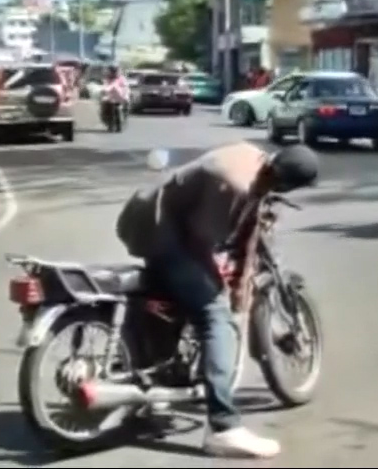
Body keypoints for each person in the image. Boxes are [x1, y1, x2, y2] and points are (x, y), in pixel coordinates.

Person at [115, 141, 318, 459]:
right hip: (157, 231)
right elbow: (200, 240)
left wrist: (235, 280)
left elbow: (238, 231)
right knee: (215, 315)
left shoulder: (253, 160)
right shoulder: (235, 184)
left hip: (157, 218)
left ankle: (156, 386)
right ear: (284, 182)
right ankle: (224, 426)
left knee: (176, 298)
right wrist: (222, 284)